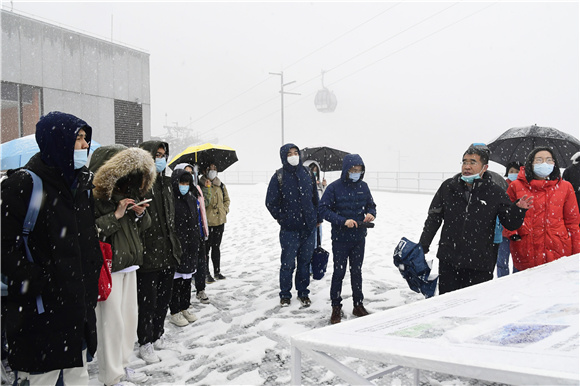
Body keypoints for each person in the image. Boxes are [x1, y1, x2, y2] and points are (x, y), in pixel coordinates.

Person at [1, 111, 102, 385]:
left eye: (85, 138)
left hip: (77, 317)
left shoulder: (83, 185)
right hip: (39, 319)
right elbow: (3, 248)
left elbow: (86, 244)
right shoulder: (23, 184)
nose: (85, 145)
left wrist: (90, 281)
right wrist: (37, 281)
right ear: (56, 141)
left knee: (76, 378)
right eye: (77, 138)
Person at [419, 144, 532, 295]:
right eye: (464, 162)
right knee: (447, 303)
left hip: (480, 262)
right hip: (449, 259)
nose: (467, 166)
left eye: (473, 162)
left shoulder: (495, 191)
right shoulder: (448, 187)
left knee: (474, 306)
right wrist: (423, 245)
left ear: (484, 167)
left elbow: (510, 223)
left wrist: (519, 210)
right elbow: (434, 218)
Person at [89, 145, 156, 386]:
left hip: (130, 265)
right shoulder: (96, 198)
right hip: (108, 267)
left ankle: (124, 365)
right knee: (110, 324)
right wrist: (116, 215)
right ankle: (111, 375)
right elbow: (93, 231)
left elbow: (145, 224)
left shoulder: (131, 194)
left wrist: (138, 213)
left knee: (129, 320)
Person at [136, 141, 182, 364]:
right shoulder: (140, 183)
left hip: (167, 251)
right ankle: (145, 341)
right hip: (147, 254)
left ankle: (157, 334)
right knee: (148, 302)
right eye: (157, 155)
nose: (161, 159)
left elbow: (170, 219)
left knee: (164, 299)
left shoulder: (167, 182)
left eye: (164, 155)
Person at [319, 154, 376, 324]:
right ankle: (336, 307)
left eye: (359, 170)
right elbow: (323, 209)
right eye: (353, 170)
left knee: (357, 272)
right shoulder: (334, 188)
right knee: (339, 272)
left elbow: (371, 205)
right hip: (340, 239)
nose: (356, 173)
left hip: (359, 238)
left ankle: (358, 305)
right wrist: (343, 221)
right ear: (346, 170)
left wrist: (371, 213)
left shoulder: (364, 187)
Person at [506, 147, 580, 271]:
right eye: (539, 160)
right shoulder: (516, 186)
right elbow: (506, 215)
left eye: (549, 160)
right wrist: (512, 233)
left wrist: (577, 254)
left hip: (559, 249)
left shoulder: (566, 187)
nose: (544, 163)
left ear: (554, 164)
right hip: (526, 248)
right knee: (526, 288)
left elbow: (572, 222)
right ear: (531, 163)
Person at [265, 144, 320, 307]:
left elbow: (315, 199)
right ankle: (285, 294)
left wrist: (316, 217)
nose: (294, 156)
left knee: (304, 262)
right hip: (289, 230)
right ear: (284, 157)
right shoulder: (279, 176)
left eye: (296, 153)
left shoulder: (307, 173)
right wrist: (282, 218)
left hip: (308, 228)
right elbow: (270, 202)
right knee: (288, 263)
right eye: (290, 154)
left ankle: (303, 293)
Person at [168, 168, 205, 326]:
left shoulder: (191, 198)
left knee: (187, 279)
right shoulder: (171, 199)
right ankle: (175, 311)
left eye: (187, 182)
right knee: (176, 282)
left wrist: (197, 239)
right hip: (177, 246)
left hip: (191, 244)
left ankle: (184, 307)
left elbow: (196, 221)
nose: (184, 185)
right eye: (181, 182)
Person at [174, 163, 211, 304]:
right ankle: (182, 301)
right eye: (186, 172)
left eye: (191, 173)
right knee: (184, 268)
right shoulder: (177, 194)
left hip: (198, 232)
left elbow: (203, 207)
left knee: (201, 262)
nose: (189, 175)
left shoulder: (196, 190)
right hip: (184, 236)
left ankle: (200, 289)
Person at [199, 163, 230, 282]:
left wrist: (224, 210)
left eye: (214, 169)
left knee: (216, 247)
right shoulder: (201, 185)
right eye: (210, 169)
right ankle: (206, 273)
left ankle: (217, 271)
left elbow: (227, 199)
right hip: (207, 223)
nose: (212, 171)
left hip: (219, 221)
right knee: (206, 249)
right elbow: (203, 203)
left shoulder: (220, 185)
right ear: (204, 170)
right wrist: (206, 188)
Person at [496, 161, 523, 277]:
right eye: (511, 171)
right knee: (502, 261)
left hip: (519, 231)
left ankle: (515, 283)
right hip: (503, 230)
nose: (514, 174)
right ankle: (502, 282)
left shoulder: (524, 188)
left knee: (518, 262)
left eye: (517, 172)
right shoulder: (502, 186)